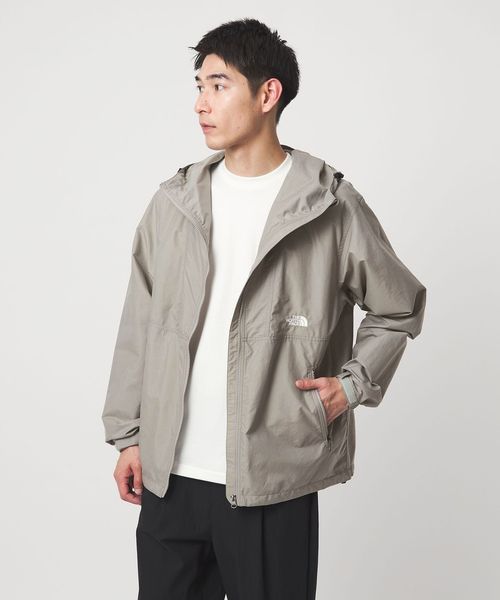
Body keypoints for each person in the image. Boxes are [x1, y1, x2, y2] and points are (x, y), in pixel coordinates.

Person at [101, 17, 427, 600]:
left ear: (267, 93)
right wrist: (129, 436)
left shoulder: (328, 206)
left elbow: (399, 306)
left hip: (274, 480)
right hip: (170, 480)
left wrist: (350, 386)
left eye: (218, 85)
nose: (201, 103)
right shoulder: (174, 202)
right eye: (198, 86)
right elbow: (140, 323)